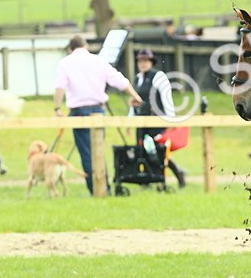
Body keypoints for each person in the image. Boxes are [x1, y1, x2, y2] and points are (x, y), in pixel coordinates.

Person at [53, 35, 143, 195]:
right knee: (99, 150)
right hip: (99, 110)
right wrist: (135, 96)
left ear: (70, 49)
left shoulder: (65, 63)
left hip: (78, 112)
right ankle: (104, 188)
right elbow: (120, 81)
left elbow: (60, 86)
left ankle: (95, 189)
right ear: (86, 46)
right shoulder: (98, 61)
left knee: (87, 153)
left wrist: (57, 107)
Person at [130, 48, 186, 188]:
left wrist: (170, 119)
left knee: (155, 149)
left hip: (156, 120)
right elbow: (135, 100)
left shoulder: (158, 76)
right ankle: (148, 179)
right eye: (140, 61)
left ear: (151, 62)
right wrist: (129, 119)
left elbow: (167, 98)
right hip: (141, 121)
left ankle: (175, 173)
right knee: (142, 149)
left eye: (145, 61)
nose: (142, 64)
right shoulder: (138, 79)